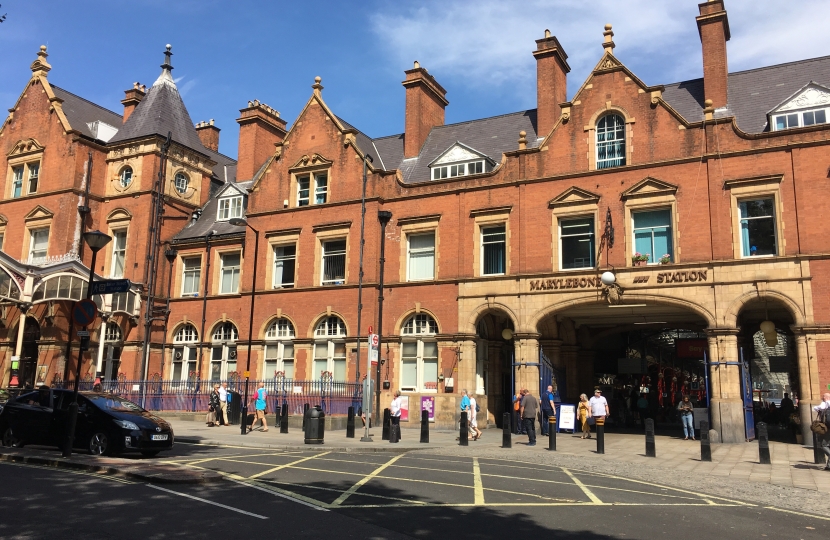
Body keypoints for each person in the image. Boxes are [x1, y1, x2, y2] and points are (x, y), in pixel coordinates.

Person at [813, 392, 830, 471]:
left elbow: (814, 408)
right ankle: (829, 466)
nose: (822, 398)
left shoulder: (825, 404)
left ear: (825, 398)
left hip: (827, 428)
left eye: (823, 397)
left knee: (823, 444)